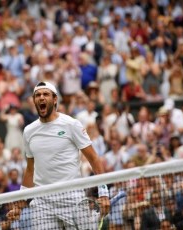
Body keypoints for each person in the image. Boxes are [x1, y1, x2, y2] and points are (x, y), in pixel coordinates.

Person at [9, 81, 110, 229]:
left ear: (55, 99)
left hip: (72, 198)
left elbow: (94, 158)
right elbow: (30, 169)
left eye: (45, 94)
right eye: (37, 95)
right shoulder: (29, 131)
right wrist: (19, 205)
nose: (41, 97)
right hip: (43, 202)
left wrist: (103, 193)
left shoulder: (71, 124)